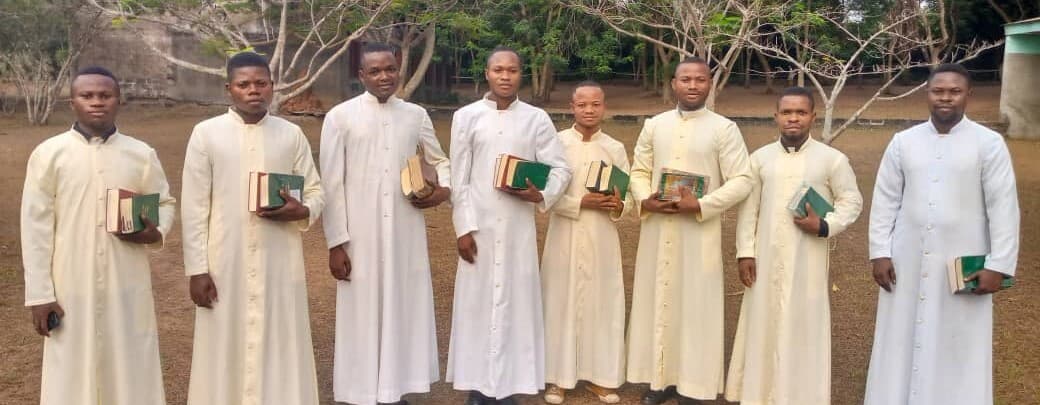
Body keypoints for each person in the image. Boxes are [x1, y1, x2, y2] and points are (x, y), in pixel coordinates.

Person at [864, 63, 1019, 405]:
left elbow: (1003, 208)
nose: (945, 98)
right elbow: (886, 199)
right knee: (899, 338)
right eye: (938, 91)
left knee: (958, 342)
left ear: (968, 96)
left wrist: (999, 265)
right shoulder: (903, 142)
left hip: (961, 266)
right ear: (927, 93)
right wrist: (879, 251)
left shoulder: (989, 144)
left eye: (954, 91)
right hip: (906, 259)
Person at [21, 66, 175, 405]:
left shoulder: (141, 153)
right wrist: (40, 294)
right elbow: (35, 227)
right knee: (71, 371)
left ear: (119, 100)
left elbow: (163, 202)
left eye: (105, 95)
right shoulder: (49, 154)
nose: (96, 102)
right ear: (71, 102)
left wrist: (154, 230)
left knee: (130, 363)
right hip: (70, 284)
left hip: (126, 281)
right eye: (86, 96)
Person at [181, 51, 324, 405]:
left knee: (279, 338)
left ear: (272, 87)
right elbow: (194, 206)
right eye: (244, 84)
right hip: (224, 261)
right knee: (224, 342)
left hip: (279, 259)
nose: (253, 90)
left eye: (261, 83)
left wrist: (301, 210)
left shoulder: (291, 134)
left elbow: (316, 190)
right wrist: (197, 270)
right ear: (229, 88)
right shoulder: (206, 134)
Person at [320, 43, 451, 405]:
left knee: (401, 307)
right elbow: (331, 183)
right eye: (375, 71)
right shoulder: (340, 117)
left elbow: (441, 162)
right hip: (358, 234)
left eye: (390, 69)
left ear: (399, 71)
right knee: (361, 312)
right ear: (361, 76)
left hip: (404, 232)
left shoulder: (415, 115)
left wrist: (442, 192)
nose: (384, 77)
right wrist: (336, 242)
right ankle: (362, 393)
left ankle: (394, 391)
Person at [446, 46, 572, 405]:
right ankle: (477, 387)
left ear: (521, 74)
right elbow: (460, 177)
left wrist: (540, 194)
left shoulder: (536, 119)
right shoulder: (466, 117)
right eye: (498, 70)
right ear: (486, 73)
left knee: (514, 306)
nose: (505, 76)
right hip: (479, 228)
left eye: (512, 70)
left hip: (518, 230)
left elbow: (561, 168)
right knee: (476, 306)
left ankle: (507, 389)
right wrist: (463, 229)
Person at [723, 86, 863, 405]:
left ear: (814, 116)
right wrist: (745, 251)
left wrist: (826, 225)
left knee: (804, 324)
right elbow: (750, 210)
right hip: (765, 257)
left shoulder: (832, 160)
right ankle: (758, 395)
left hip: (808, 259)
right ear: (776, 116)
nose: (793, 118)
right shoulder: (760, 159)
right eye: (787, 112)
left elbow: (852, 200)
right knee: (763, 322)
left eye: (801, 112)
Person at [626, 56, 753, 405]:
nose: (693, 85)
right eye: (686, 79)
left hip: (699, 234)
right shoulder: (654, 125)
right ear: (674, 83)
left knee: (696, 307)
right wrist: (644, 198)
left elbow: (743, 180)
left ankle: (693, 385)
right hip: (657, 231)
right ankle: (658, 380)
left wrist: (701, 204)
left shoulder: (724, 129)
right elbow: (639, 171)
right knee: (657, 300)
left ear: (709, 84)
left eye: (700, 79)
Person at [540, 81, 629, 405]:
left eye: (595, 104)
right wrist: (581, 204)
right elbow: (545, 197)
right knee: (559, 302)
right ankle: (557, 379)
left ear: (604, 107)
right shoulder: (556, 144)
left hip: (602, 238)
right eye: (582, 105)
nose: (589, 110)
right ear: (571, 106)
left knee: (601, 303)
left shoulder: (615, 148)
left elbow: (627, 198)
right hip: (564, 234)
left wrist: (618, 205)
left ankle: (601, 377)